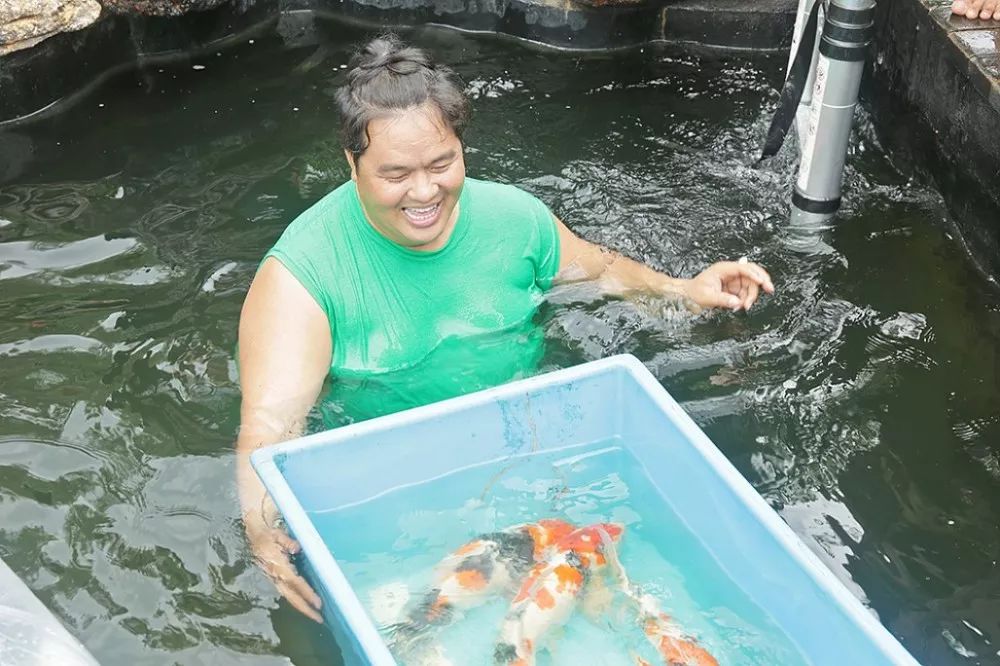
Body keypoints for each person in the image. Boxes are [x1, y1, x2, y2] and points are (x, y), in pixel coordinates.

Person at [235, 34, 775, 623]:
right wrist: (264, 534)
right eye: (395, 174)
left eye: (442, 164)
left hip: (532, 455)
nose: (424, 192)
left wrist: (684, 290)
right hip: (401, 497)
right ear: (352, 163)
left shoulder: (515, 221)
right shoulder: (303, 277)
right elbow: (270, 426)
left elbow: (603, 273)